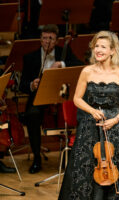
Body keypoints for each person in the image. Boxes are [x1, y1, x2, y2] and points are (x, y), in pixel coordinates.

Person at [58, 31, 119, 199]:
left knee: (116, 166)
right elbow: (76, 98)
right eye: (96, 46)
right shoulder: (87, 72)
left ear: (112, 51)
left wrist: (116, 119)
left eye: (103, 46)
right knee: (88, 166)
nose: (98, 50)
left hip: (115, 125)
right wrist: (91, 110)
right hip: (90, 126)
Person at [19, 24, 83, 174]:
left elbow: (80, 65)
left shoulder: (63, 53)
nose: (47, 41)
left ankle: (69, 154)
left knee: (74, 114)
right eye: (45, 38)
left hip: (61, 96)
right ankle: (36, 158)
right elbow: (22, 85)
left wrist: (62, 63)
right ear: (40, 39)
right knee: (32, 115)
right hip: (39, 96)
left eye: (51, 38)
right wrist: (31, 85)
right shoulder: (30, 57)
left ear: (56, 41)